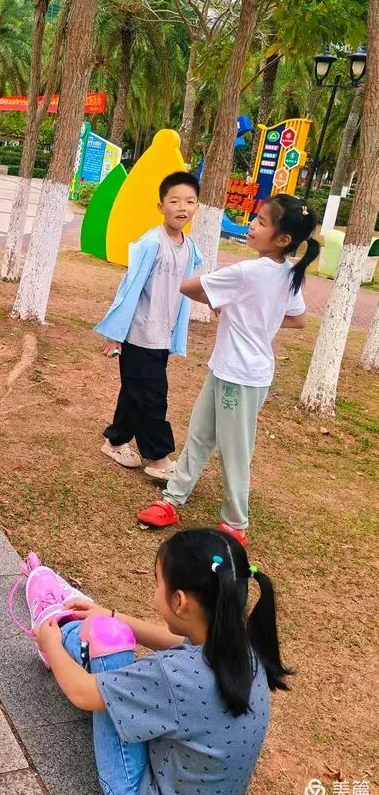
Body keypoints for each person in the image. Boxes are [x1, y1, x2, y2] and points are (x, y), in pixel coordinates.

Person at [25, 529, 290, 795]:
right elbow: (177, 641)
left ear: (179, 601)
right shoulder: (243, 646)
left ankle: (61, 625)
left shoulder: (173, 676)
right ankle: (76, 630)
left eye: (157, 584)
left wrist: (51, 643)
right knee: (111, 630)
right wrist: (113, 614)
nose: (155, 592)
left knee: (108, 642)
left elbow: (82, 694)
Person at [137, 195, 319, 542]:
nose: (252, 225)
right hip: (227, 369)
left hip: (242, 376)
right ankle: (172, 500)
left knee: (234, 450)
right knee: (199, 436)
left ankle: (236, 523)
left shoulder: (248, 272)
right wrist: (247, 314)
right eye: (256, 218)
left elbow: (188, 287)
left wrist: (229, 305)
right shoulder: (289, 272)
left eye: (262, 222)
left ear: (282, 239)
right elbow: (298, 319)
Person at [95, 171, 202, 480]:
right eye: (175, 201)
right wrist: (114, 335)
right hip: (140, 334)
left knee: (136, 391)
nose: (182, 208)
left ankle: (115, 441)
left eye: (190, 201)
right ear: (161, 206)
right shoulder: (151, 243)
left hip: (162, 335)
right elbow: (128, 290)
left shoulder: (190, 246)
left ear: (197, 207)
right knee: (152, 396)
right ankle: (158, 458)